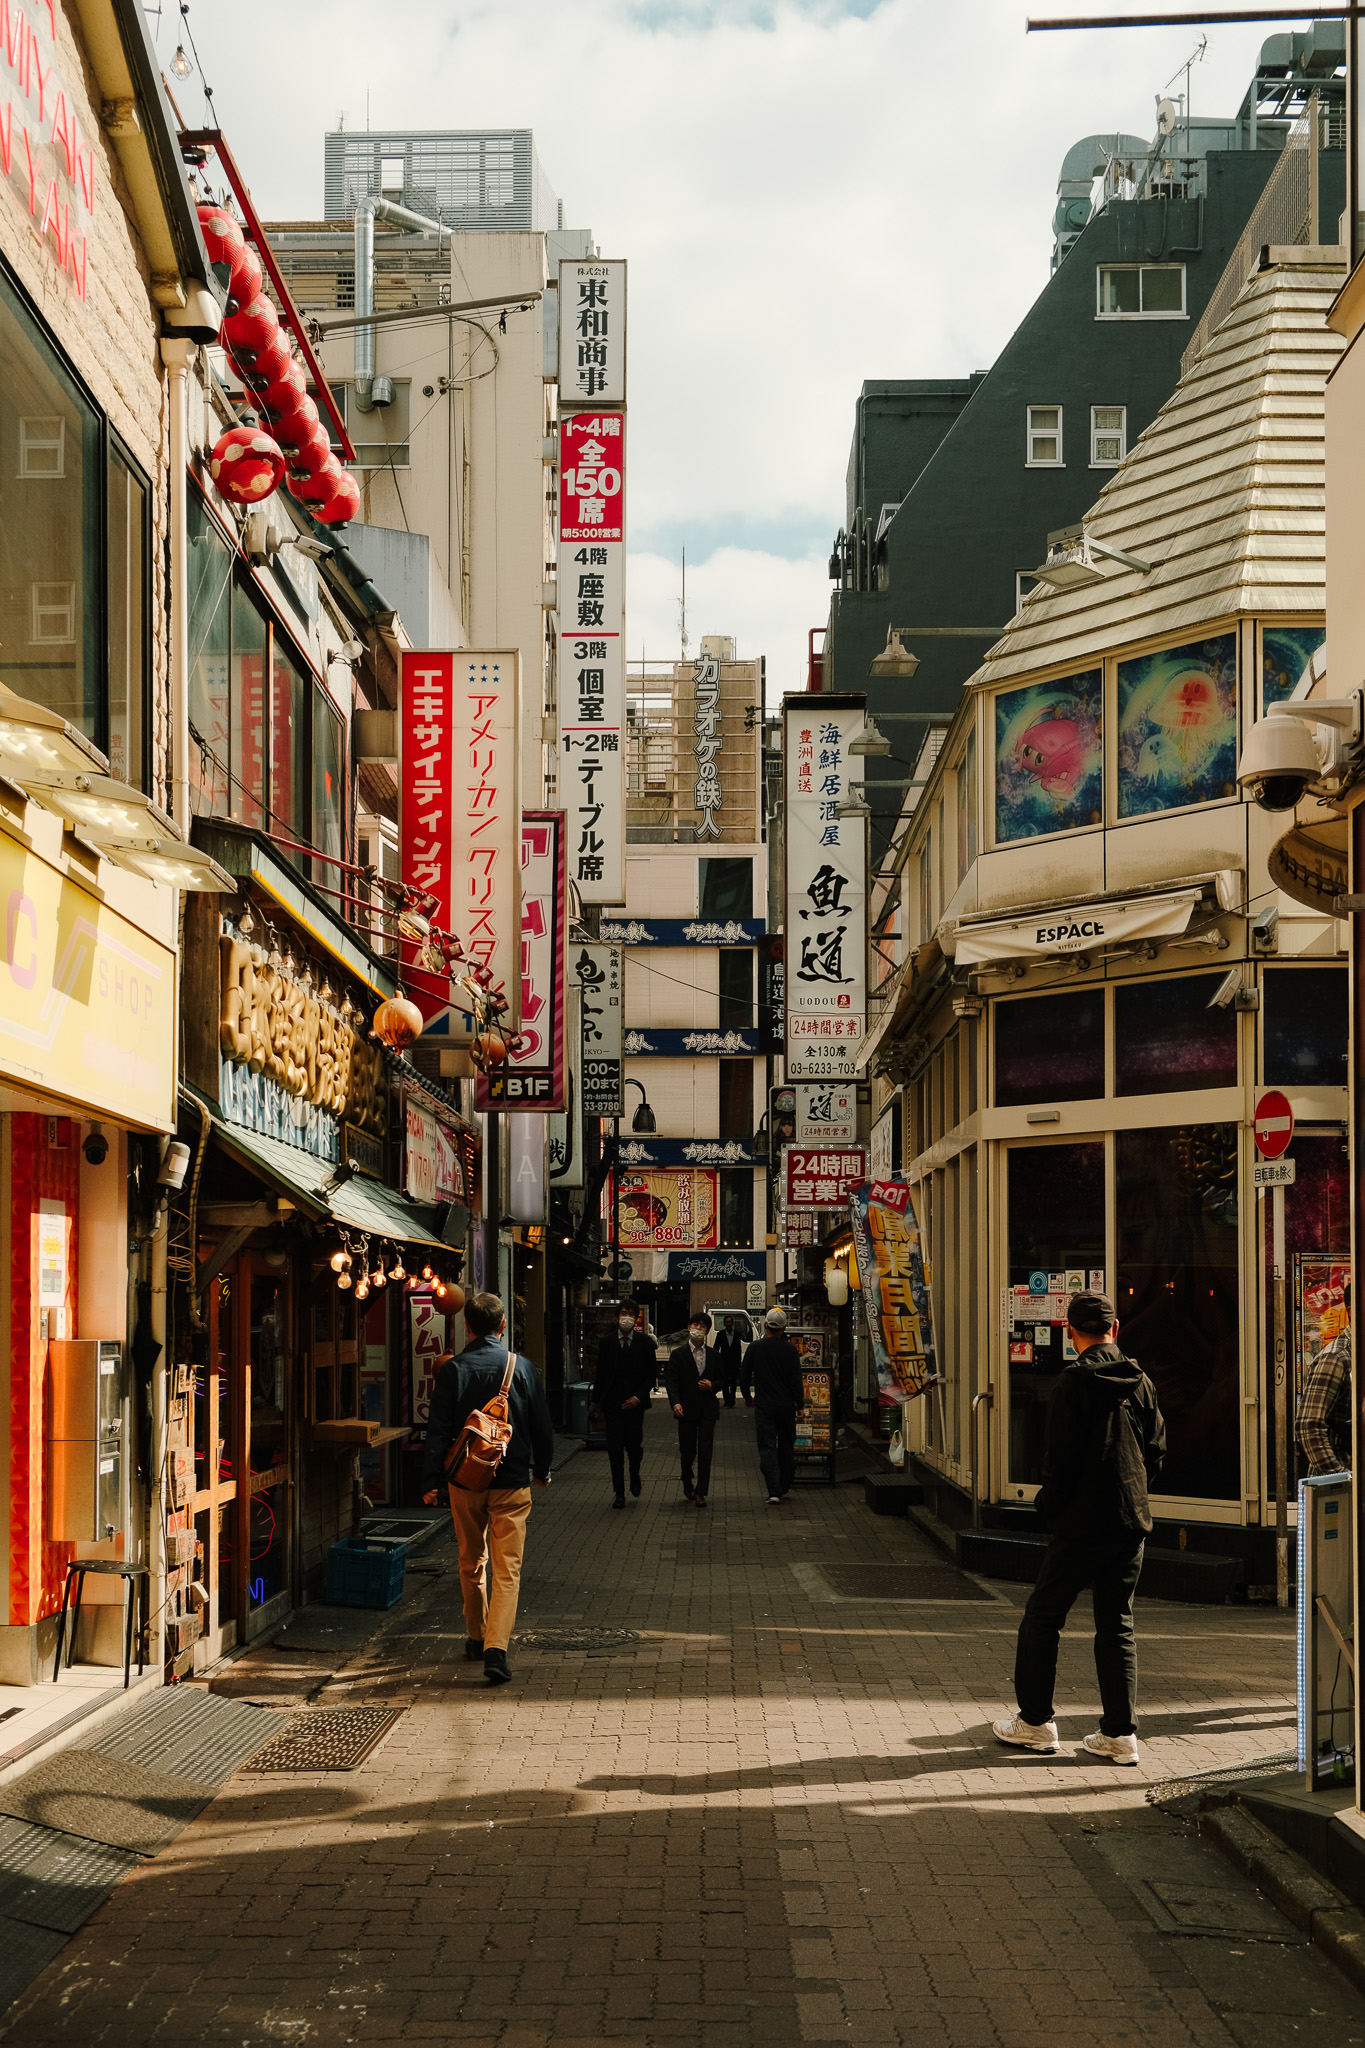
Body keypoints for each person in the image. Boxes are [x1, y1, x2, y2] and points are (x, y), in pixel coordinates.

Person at [993, 1290, 1165, 1765]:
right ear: (1116, 1329)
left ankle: (1034, 1723)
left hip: (1081, 1523)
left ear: (1071, 1333)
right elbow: (1157, 1450)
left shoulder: (1072, 1383)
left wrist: (1050, 1505)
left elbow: (1061, 1459)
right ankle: (1120, 1734)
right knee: (1117, 1625)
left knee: (1043, 1616)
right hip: (1129, 1520)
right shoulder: (1141, 1380)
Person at [421, 1292, 554, 1686]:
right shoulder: (523, 1368)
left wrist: (431, 1482)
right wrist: (542, 1469)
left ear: (467, 1327)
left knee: (470, 1560)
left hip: (465, 1482)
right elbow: (542, 1426)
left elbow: (439, 1431)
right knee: (507, 1569)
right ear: (502, 1326)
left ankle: (476, 1636)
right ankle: (497, 1649)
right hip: (512, 1481)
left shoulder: (453, 1369)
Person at [592, 1300, 656, 1508]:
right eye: (624, 1312)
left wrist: (638, 1397)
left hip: (635, 1405)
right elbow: (600, 1375)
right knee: (615, 1449)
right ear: (617, 1316)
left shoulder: (645, 1343)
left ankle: (635, 1475)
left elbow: (650, 1375)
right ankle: (619, 1492)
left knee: (634, 1446)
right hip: (613, 1403)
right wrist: (595, 1401)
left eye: (631, 1313)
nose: (627, 1316)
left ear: (636, 1317)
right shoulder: (607, 1342)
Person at [745, 1306, 806, 1504]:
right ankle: (785, 1483)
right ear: (784, 1328)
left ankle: (773, 1489)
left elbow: (744, 1376)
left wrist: (747, 1397)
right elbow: (796, 1379)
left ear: (765, 1325)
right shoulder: (790, 1349)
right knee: (787, 1445)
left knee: (767, 1446)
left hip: (765, 1406)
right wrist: (800, 1404)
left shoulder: (755, 1348)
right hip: (786, 1406)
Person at [665, 1312, 719, 1507]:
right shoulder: (678, 1355)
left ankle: (701, 1492)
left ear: (707, 1330)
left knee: (705, 1451)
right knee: (688, 1450)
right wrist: (675, 1403)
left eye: (703, 1326)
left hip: (707, 1410)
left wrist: (712, 1385)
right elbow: (672, 1382)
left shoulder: (714, 1355)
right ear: (689, 1327)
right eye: (695, 1324)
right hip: (686, 1409)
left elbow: (724, 1379)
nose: (699, 1328)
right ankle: (687, 1479)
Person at [1298, 1279, 1352, 1476]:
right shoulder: (1336, 1357)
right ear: (1352, 1311)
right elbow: (1308, 1426)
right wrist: (1341, 1477)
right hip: (1340, 1488)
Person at [714, 1315, 745, 1408]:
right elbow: (716, 1348)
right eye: (727, 1322)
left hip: (734, 1363)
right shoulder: (720, 1335)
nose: (728, 1324)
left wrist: (739, 1362)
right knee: (725, 1382)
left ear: (732, 1323)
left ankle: (732, 1399)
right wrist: (717, 1361)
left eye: (730, 1322)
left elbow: (738, 1349)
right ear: (724, 1324)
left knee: (733, 1382)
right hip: (724, 1362)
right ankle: (727, 1400)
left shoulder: (737, 1335)